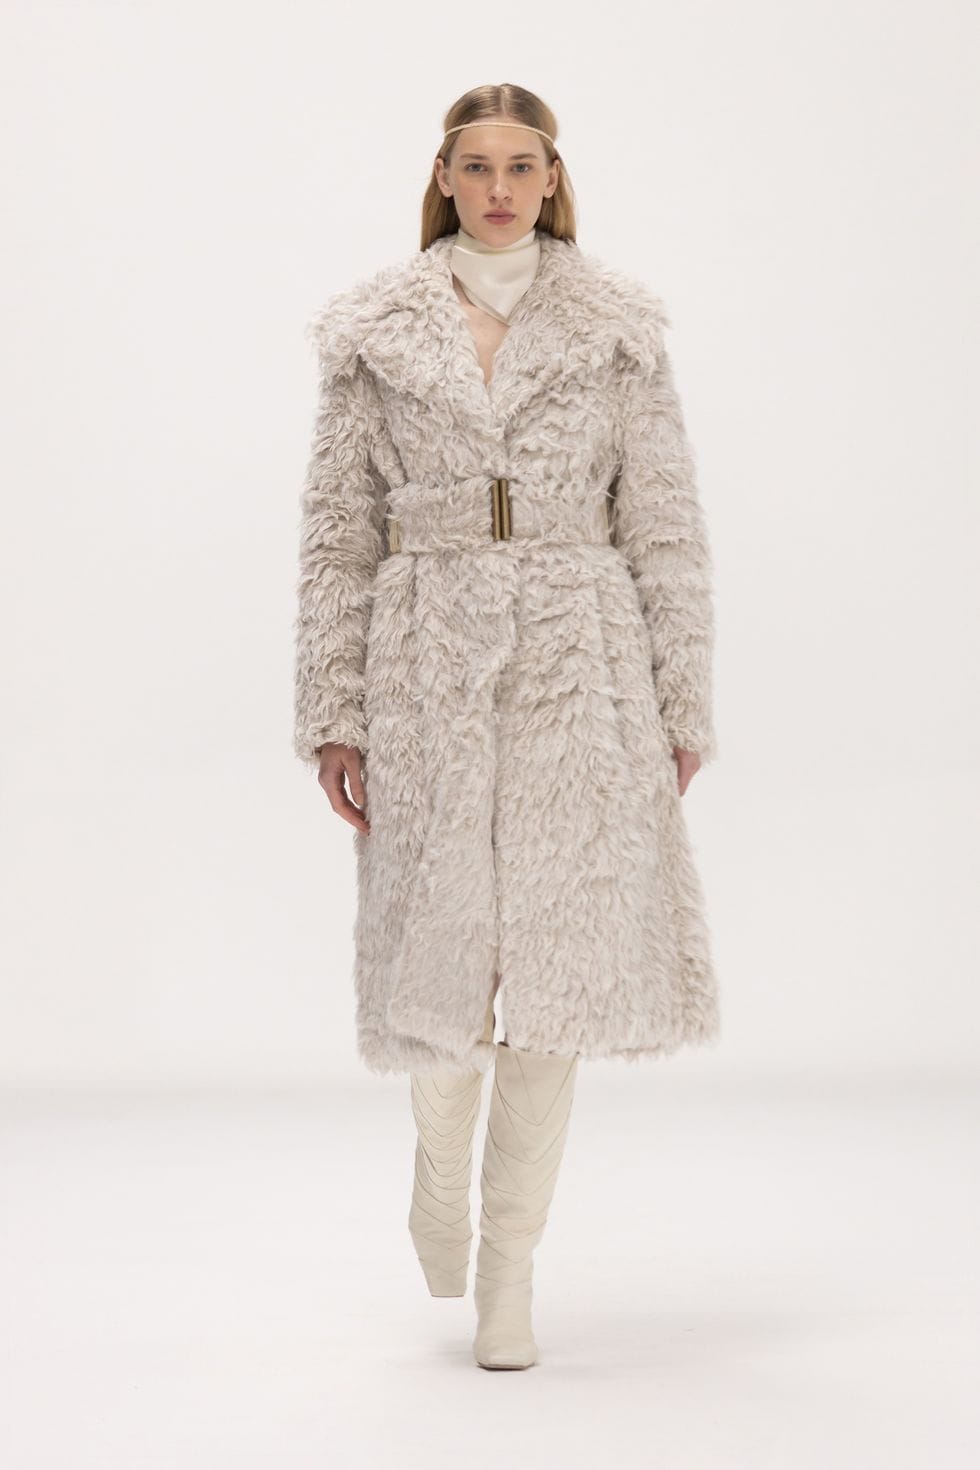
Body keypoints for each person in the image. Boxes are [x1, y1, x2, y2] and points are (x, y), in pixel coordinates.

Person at [292, 83, 719, 1370]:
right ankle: (439, 1179)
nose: (496, 189)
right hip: (423, 657)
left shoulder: (616, 329)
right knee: (438, 968)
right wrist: (332, 712)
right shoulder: (374, 332)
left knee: (553, 978)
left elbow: (663, 523)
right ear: (442, 175)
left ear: (550, 178)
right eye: (474, 166)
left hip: (579, 664)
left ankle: (510, 1273)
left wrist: (680, 700)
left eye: (519, 167)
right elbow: (336, 535)